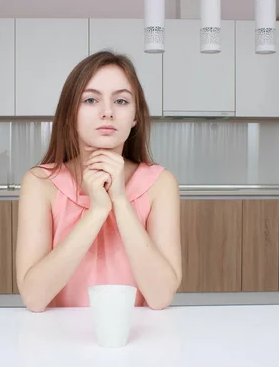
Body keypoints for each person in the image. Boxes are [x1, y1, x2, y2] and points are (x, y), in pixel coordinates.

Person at [15, 50, 182, 312]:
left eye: (122, 101)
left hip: (135, 337)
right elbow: (34, 299)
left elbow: (161, 297)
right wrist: (98, 210)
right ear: (71, 114)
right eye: (91, 100)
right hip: (59, 340)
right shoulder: (40, 183)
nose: (107, 112)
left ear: (136, 116)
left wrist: (119, 200)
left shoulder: (161, 183)